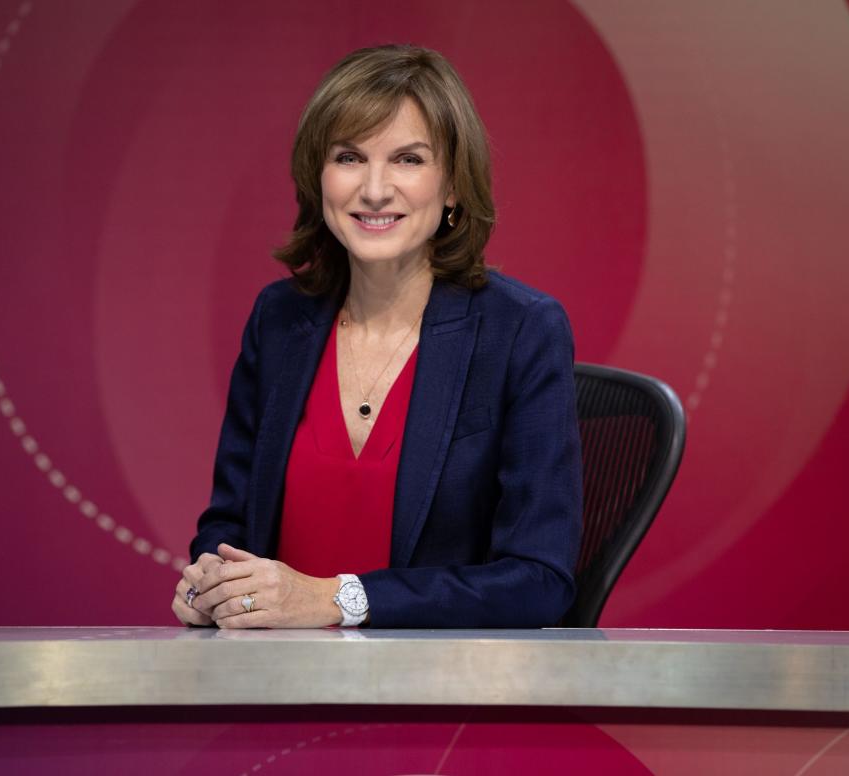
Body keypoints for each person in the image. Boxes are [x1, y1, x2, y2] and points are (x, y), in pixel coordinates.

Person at [172, 45, 582, 629]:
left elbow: (539, 581)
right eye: (349, 157)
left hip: (442, 696)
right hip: (273, 684)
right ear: (319, 178)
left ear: (453, 187)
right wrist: (212, 581)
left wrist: (335, 601)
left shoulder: (520, 331)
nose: (373, 189)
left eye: (408, 160)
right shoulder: (280, 319)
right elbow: (229, 524)